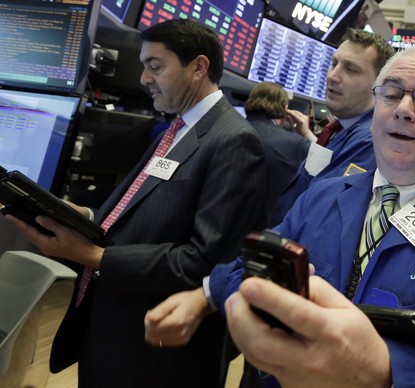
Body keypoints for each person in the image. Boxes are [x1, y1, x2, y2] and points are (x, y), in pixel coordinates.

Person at [144, 42, 415, 387]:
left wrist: (383, 372)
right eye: (391, 93)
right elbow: (258, 264)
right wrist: (205, 295)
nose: (403, 109)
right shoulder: (326, 194)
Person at [6, 19, 267, 387]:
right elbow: (146, 209)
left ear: (199, 67)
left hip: (156, 351)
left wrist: (96, 257)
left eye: (155, 65)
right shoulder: (176, 128)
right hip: (117, 325)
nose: (144, 78)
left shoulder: (233, 141)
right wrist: (91, 217)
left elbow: (206, 261)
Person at [271, 28, 395, 225]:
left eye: (350, 69)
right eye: (334, 64)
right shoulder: (339, 130)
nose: (332, 76)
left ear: (381, 86)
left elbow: (318, 215)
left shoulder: (370, 141)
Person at [244, 81, 311, 211]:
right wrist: (306, 133)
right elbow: (328, 165)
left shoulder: (229, 128)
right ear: (285, 109)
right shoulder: (296, 144)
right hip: (267, 228)